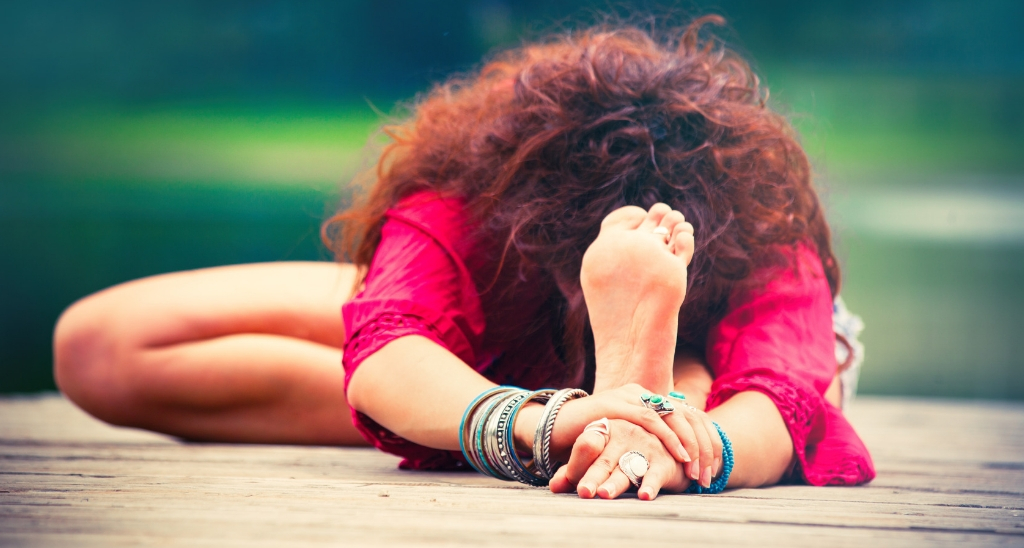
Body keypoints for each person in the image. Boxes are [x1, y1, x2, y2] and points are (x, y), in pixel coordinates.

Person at [53, 16, 874, 500]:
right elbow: (391, 340)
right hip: (488, 326)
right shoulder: (468, 203)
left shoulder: (765, 234)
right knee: (98, 347)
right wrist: (546, 420)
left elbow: (782, 397)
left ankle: (646, 398)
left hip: (709, 353)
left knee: (723, 387)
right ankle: (620, 402)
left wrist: (687, 448)